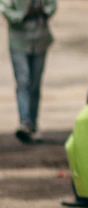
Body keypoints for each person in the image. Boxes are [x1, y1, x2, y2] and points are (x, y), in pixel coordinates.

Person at [1, 0, 56, 143]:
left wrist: (44, 13)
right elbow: (4, 8)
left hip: (40, 39)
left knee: (35, 84)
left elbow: (52, 6)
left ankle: (33, 125)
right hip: (18, 40)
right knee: (23, 81)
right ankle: (25, 122)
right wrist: (21, 16)